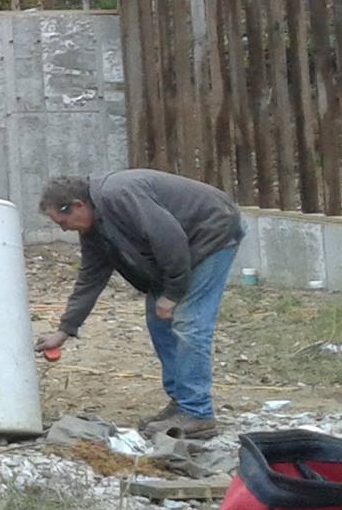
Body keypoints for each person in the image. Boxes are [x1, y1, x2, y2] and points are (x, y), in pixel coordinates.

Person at [32, 169, 244, 440]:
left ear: (78, 205)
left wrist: (172, 294)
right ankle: (181, 403)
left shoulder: (119, 196)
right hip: (178, 251)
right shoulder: (94, 228)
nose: (63, 229)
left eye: (63, 221)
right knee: (159, 321)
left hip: (211, 233)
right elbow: (90, 279)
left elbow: (170, 239)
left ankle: (197, 412)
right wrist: (64, 330)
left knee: (189, 324)